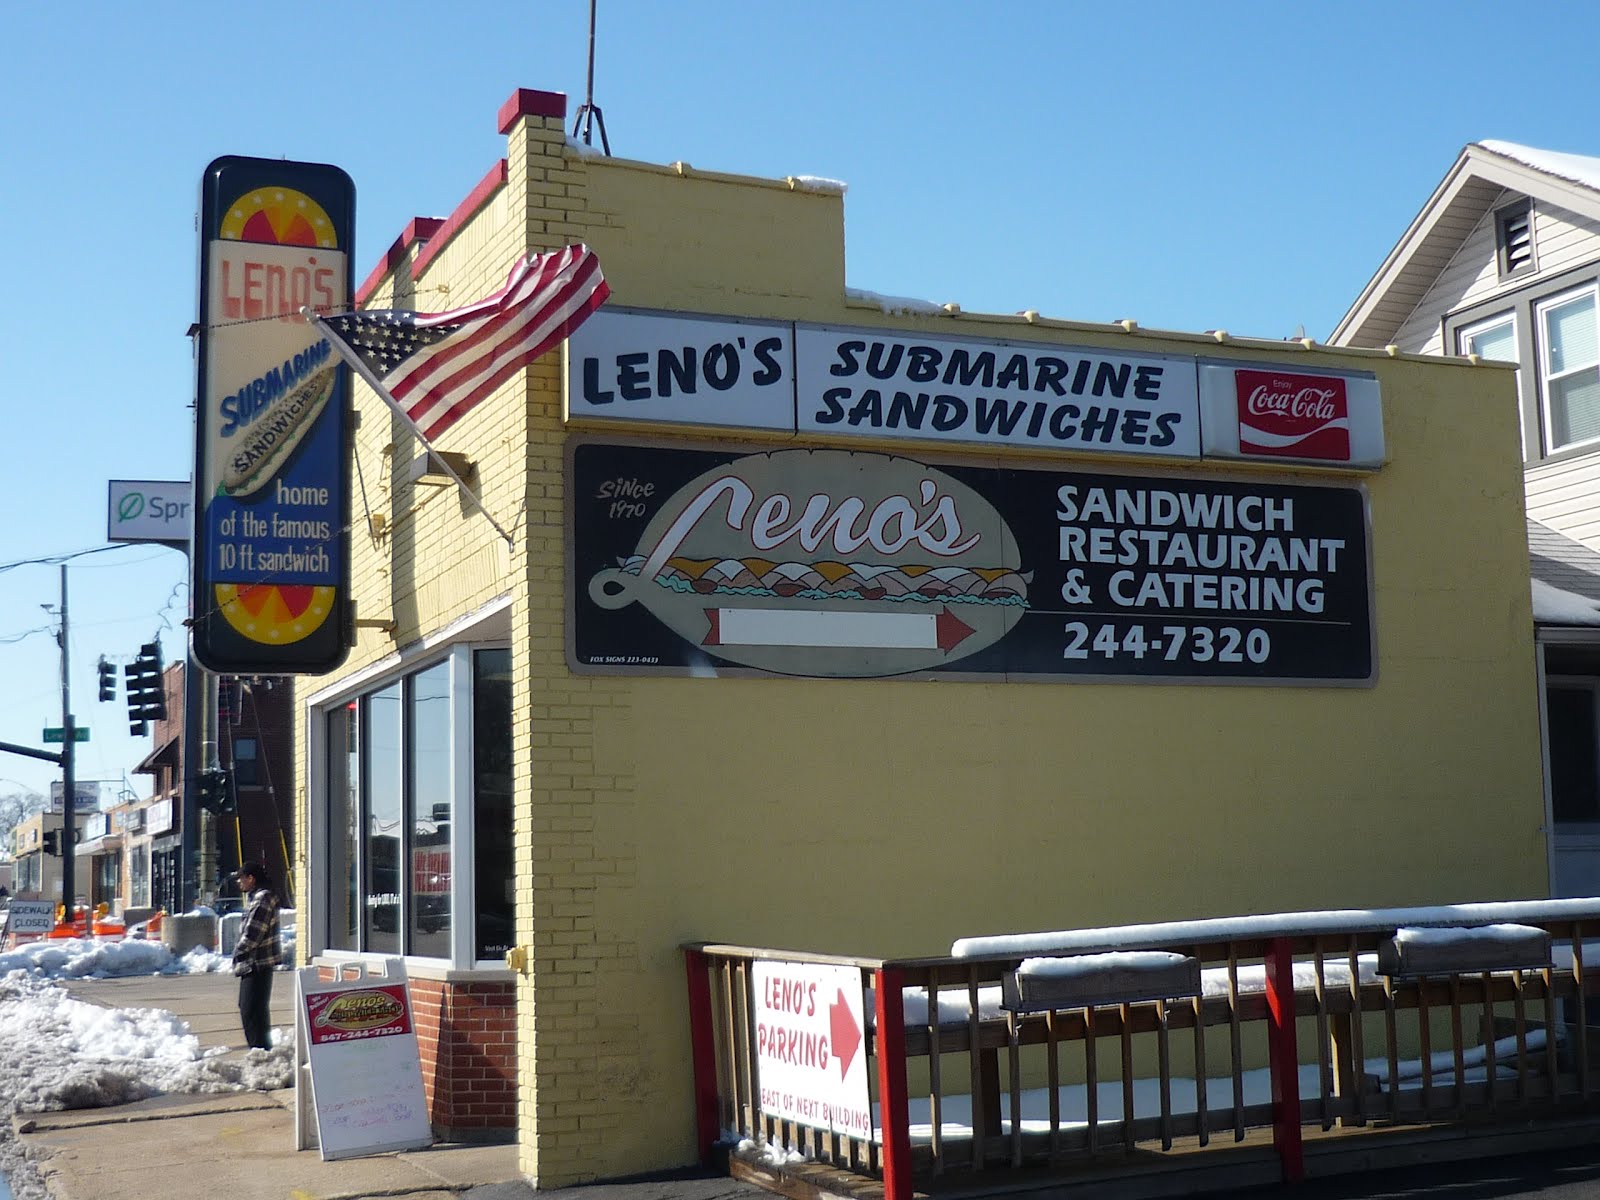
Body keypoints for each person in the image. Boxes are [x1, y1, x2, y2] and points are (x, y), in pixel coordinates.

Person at [231, 861, 282, 1051]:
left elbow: (253, 935)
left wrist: (237, 951)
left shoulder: (262, 900)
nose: (239, 883)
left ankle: (260, 1053)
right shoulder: (259, 898)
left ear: (251, 878)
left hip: (257, 964)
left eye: (241, 878)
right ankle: (262, 1052)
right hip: (256, 964)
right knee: (253, 1011)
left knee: (251, 1013)